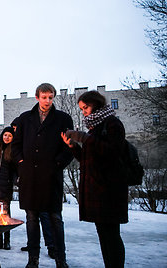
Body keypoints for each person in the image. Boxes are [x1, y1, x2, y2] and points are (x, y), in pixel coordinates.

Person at [61, 90, 128, 268]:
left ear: (96, 105)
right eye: (82, 109)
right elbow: (87, 159)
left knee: (111, 235)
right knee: (103, 235)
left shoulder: (112, 124)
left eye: (86, 107)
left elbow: (112, 152)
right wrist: (73, 146)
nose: (84, 112)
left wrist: (83, 137)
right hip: (97, 189)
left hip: (110, 190)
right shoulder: (95, 127)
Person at [11, 83, 74, 268]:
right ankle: (33, 260)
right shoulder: (25, 118)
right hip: (29, 177)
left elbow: (68, 148)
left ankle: (61, 260)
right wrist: (21, 163)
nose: (47, 101)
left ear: (53, 97)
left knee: (55, 218)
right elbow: (16, 146)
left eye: (50, 97)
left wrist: (57, 164)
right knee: (31, 219)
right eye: (44, 97)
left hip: (51, 177)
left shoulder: (63, 119)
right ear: (37, 97)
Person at [13, 117, 56, 259]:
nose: (14, 131)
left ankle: (51, 246)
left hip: (41, 183)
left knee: (45, 216)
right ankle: (32, 246)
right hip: (27, 184)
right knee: (31, 218)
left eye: (15, 129)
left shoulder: (31, 141)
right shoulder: (16, 146)